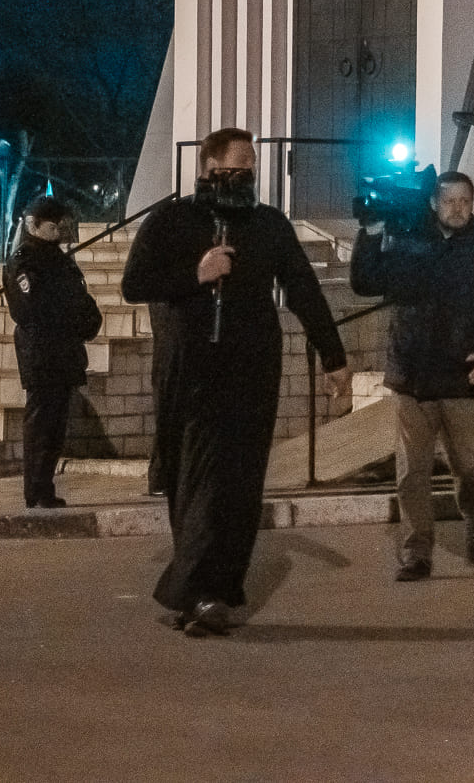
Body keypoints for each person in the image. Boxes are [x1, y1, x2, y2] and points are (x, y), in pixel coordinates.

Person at [121, 128, 350, 635]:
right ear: (209, 167)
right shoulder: (172, 220)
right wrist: (195, 273)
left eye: (251, 166)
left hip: (251, 369)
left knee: (239, 484)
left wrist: (334, 359)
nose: (246, 174)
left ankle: (212, 593)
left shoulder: (268, 226)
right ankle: (200, 592)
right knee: (196, 482)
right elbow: (134, 284)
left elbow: (304, 292)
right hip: (191, 371)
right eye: (237, 164)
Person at [349, 168, 474, 581]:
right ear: (433, 203)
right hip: (412, 375)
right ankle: (417, 553)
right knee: (412, 471)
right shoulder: (409, 242)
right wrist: (372, 232)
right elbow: (364, 282)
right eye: (450, 200)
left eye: (465, 200)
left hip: (466, 377)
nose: (458, 208)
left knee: (472, 466)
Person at [6, 194, 102, 510]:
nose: (60, 229)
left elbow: (80, 299)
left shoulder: (59, 259)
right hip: (42, 352)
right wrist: (71, 315)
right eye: (54, 224)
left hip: (63, 351)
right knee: (41, 424)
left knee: (55, 426)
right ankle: (36, 489)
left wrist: (85, 320)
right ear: (35, 225)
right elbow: (32, 307)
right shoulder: (26, 259)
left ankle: (43, 488)